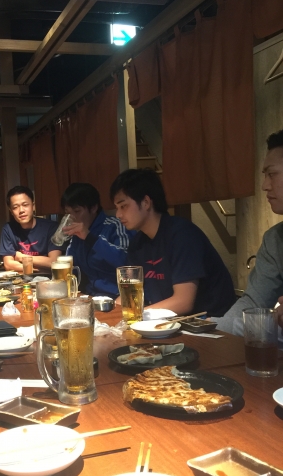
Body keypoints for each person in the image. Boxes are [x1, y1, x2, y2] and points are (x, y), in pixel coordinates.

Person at [110, 168, 236, 316]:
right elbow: (130, 296)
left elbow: (183, 302)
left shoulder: (182, 235)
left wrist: (136, 314)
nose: (118, 214)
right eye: (117, 208)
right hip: (170, 322)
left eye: (123, 206)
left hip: (211, 322)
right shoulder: (137, 243)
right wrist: (109, 313)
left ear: (146, 202)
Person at [216, 130, 283, 334]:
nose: (264, 186)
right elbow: (254, 302)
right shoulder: (275, 239)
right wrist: (217, 332)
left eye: (271, 174)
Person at [61, 183, 133, 297]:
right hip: (91, 295)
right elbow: (71, 266)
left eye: (77, 211)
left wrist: (89, 237)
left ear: (94, 208)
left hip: (118, 296)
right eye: (68, 213)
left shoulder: (115, 226)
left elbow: (127, 262)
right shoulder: (76, 234)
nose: (72, 217)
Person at [0, 185, 61, 272]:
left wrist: (22, 257)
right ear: (11, 212)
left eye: (25, 205)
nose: (21, 210)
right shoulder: (8, 229)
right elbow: (8, 265)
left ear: (33, 206)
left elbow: (54, 262)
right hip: (21, 279)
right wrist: (40, 267)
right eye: (15, 207)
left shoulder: (51, 227)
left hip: (49, 279)